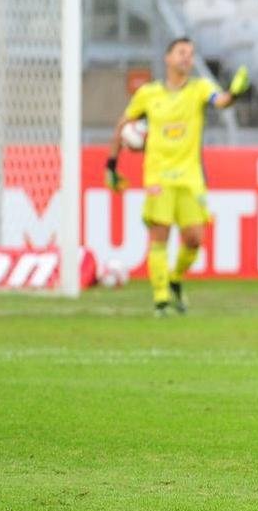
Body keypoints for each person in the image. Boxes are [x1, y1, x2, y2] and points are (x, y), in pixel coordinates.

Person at [104, 37, 248, 315]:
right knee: (160, 236)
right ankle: (160, 300)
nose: (187, 58)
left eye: (191, 54)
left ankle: (175, 278)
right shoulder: (148, 93)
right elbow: (124, 124)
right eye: (181, 53)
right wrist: (111, 165)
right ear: (168, 58)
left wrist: (236, 93)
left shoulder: (199, 88)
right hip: (158, 176)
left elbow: (221, 101)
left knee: (194, 239)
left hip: (190, 177)